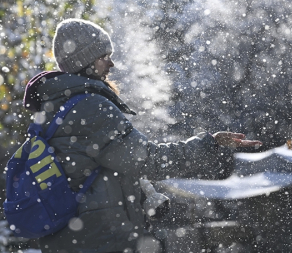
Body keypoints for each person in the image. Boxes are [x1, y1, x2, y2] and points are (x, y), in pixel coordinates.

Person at [23, 18, 262, 253]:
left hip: (73, 236)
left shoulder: (55, 108)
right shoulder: (90, 107)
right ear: (84, 62)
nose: (111, 64)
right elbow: (148, 159)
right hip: (103, 239)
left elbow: (109, 164)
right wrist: (209, 143)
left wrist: (146, 194)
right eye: (103, 56)